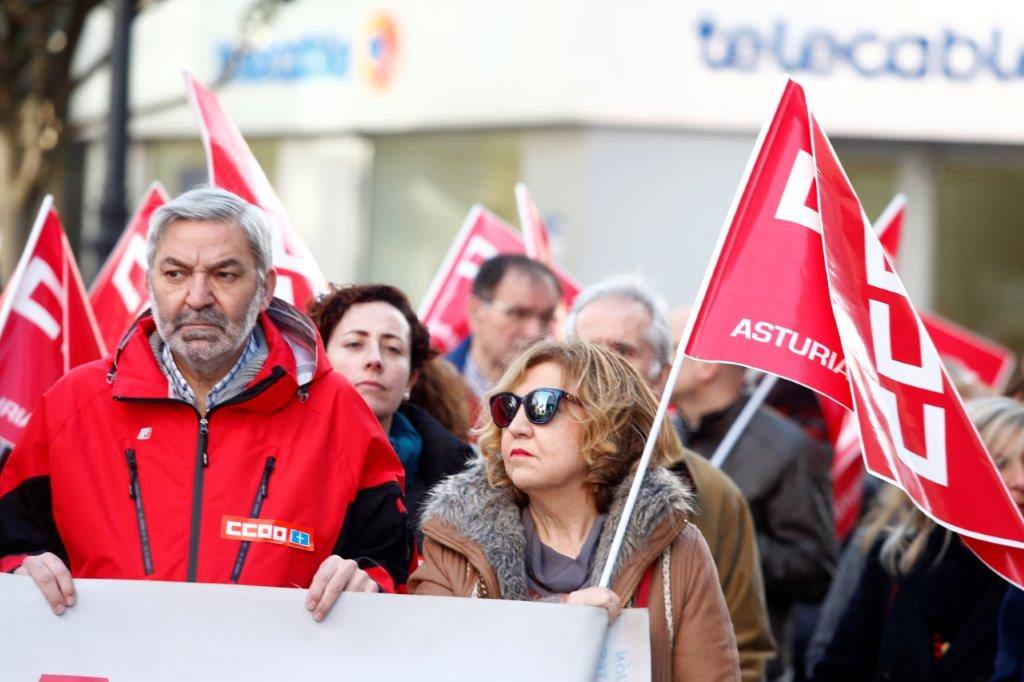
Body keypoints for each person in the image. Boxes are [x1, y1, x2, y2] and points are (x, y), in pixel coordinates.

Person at [0, 187, 410, 622]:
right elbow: (11, 541)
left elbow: (389, 561)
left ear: (266, 287)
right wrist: (17, 570)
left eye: (224, 275)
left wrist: (367, 580)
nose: (197, 297)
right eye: (175, 274)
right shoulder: (73, 405)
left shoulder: (336, 411)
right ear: (149, 283)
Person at [410, 340, 741, 681]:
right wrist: (561, 620)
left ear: (607, 421)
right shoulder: (455, 538)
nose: (518, 427)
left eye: (543, 406)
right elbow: (431, 666)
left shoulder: (676, 548)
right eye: (508, 408)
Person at [565, 275, 775, 681]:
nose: (602, 365)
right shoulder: (522, 475)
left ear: (661, 372)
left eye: (622, 350)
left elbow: (742, 650)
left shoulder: (713, 495)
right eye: (586, 350)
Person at [670, 308, 836, 679]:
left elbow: (815, 568)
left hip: (744, 661)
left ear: (707, 366)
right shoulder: (664, 436)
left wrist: (726, 532)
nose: (662, 362)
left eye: (673, 349)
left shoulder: (787, 448)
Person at [810, 396, 1024, 681]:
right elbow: (842, 665)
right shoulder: (900, 552)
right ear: (958, 468)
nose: (1019, 480)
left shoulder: (1018, 582)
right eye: (1000, 463)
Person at [307, 283, 473, 527]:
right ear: (320, 361)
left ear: (411, 379)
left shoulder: (461, 486)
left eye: (393, 348)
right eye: (355, 344)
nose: (375, 359)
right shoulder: (279, 459)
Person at [447, 254, 561, 400]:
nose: (535, 332)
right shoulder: (427, 393)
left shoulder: (561, 402)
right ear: (476, 312)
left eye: (546, 317)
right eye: (519, 314)